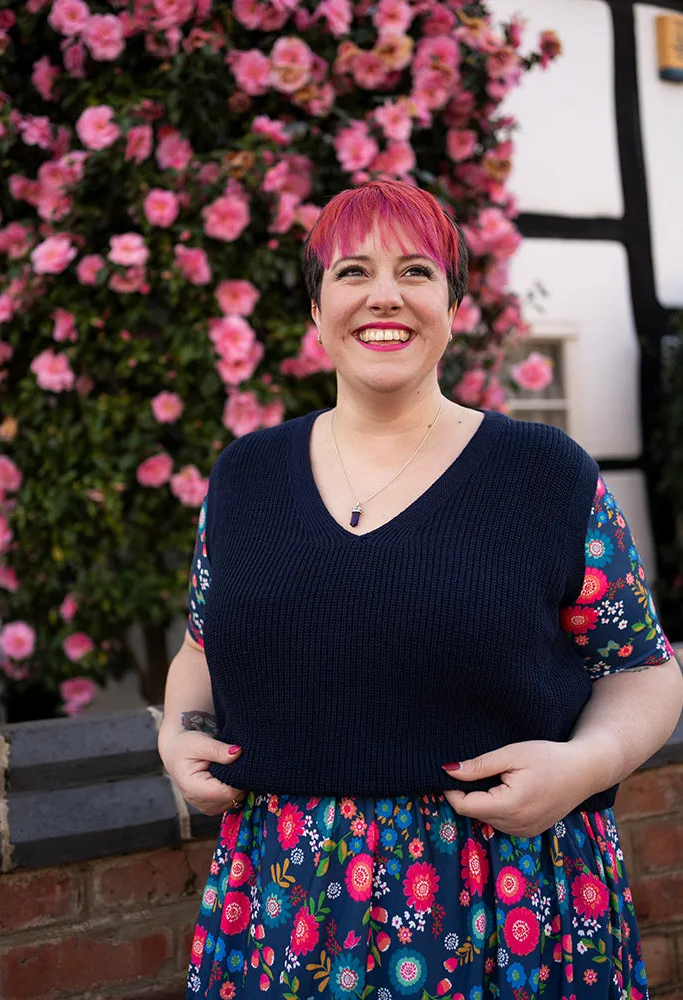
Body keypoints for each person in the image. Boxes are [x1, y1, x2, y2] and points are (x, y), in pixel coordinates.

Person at [158, 179, 683, 1000]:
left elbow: (642, 667)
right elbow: (200, 646)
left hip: (508, 907)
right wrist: (181, 731)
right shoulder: (244, 478)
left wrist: (586, 766)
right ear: (316, 309)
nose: (384, 296)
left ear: (453, 305)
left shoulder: (543, 476)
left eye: (416, 271)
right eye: (352, 271)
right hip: (279, 908)